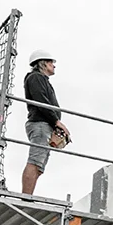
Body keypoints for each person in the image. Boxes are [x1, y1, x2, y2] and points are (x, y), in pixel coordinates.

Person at [20, 49, 69, 195]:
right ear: (43, 63)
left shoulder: (41, 79)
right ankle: (26, 198)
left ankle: (27, 197)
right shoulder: (36, 78)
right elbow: (41, 101)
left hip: (44, 125)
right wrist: (57, 122)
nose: (54, 65)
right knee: (35, 162)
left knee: (39, 166)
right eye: (51, 62)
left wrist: (54, 124)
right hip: (40, 124)